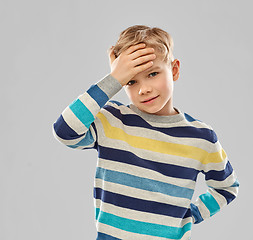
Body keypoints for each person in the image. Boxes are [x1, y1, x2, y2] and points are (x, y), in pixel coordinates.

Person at [52, 25, 239, 240]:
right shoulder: (112, 120)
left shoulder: (201, 137)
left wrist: (191, 215)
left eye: (153, 73)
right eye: (131, 81)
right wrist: (113, 79)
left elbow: (227, 187)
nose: (144, 89)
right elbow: (64, 132)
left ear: (174, 70)